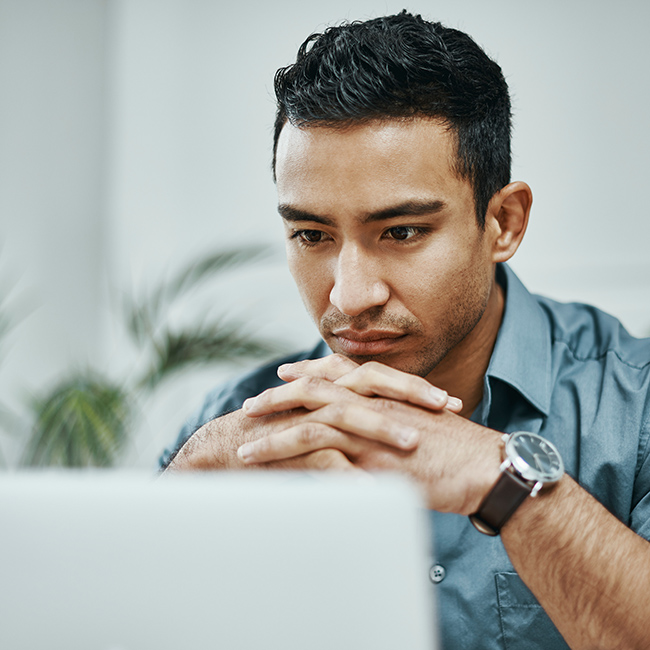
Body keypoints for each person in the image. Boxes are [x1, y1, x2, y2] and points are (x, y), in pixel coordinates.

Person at [160, 11, 650, 650]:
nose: (350, 294)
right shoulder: (229, 428)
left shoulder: (635, 408)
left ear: (503, 222)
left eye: (402, 232)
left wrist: (509, 486)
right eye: (312, 235)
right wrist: (177, 498)